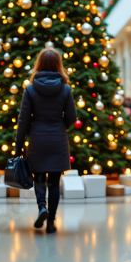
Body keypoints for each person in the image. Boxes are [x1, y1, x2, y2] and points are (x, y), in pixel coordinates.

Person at [14, 48, 77, 235]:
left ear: (39, 64)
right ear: (58, 64)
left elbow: (23, 120)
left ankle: (42, 207)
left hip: (37, 139)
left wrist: (18, 146)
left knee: (40, 178)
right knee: (55, 182)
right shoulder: (65, 89)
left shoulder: (31, 89)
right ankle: (51, 222)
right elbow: (72, 117)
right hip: (57, 138)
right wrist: (60, 125)